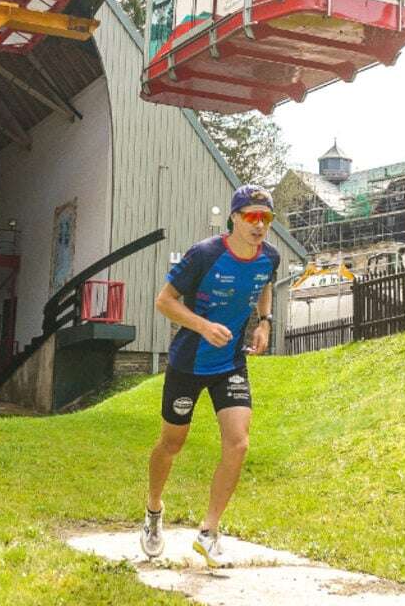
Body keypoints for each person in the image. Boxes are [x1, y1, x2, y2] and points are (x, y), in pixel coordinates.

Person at [140, 185, 280, 568]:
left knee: (238, 443)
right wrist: (203, 326)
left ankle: (209, 532)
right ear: (235, 217)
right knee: (172, 444)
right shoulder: (205, 254)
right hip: (190, 362)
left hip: (231, 363)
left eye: (265, 218)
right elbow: (163, 301)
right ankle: (154, 512)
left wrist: (264, 323)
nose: (259, 225)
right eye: (251, 216)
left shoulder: (270, 256)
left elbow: (266, 282)